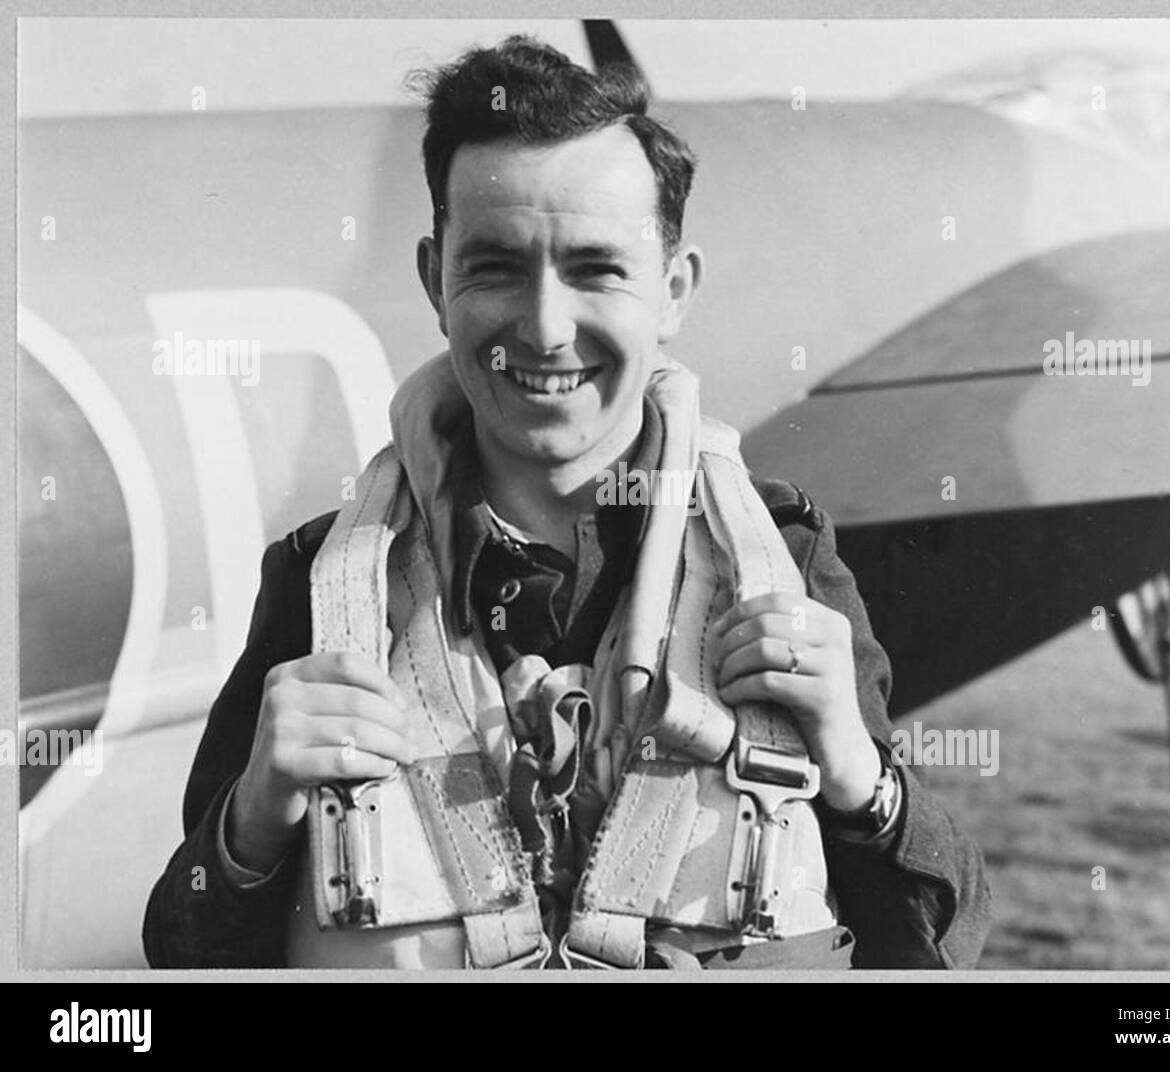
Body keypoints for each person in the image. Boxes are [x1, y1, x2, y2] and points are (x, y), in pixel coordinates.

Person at [143, 35, 990, 970]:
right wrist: (251, 826)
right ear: (435, 281)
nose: (545, 329)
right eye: (496, 267)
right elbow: (177, 948)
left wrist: (862, 780)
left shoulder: (783, 560)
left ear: (672, 290)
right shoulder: (322, 583)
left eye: (596, 269)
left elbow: (947, 939)